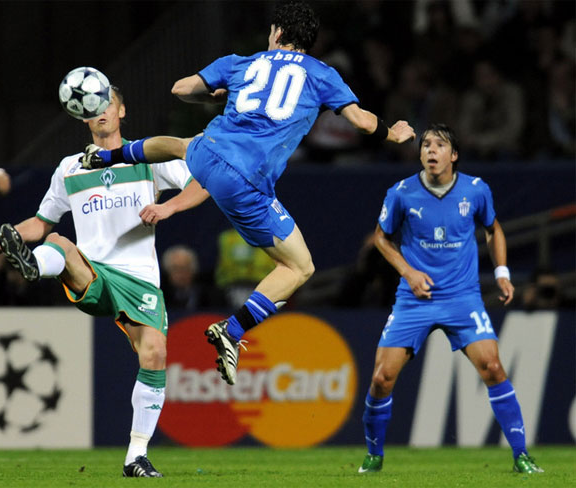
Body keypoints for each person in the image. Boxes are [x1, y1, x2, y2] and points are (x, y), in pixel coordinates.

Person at [80, 1, 416, 386]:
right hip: (246, 180)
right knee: (300, 266)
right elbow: (362, 122)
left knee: (184, 145)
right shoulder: (322, 74)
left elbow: (181, 89)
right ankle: (232, 330)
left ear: (277, 33)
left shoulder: (241, 62)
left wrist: (216, 96)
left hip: (208, 153)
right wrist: (393, 133)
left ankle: (108, 156)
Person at [0, 86, 208, 477]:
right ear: (82, 115)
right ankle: (33, 266)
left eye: (107, 102)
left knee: (155, 354)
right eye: (92, 106)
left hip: (139, 279)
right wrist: (14, 234)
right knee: (60, 241)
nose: (101, 111)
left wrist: (168, 207)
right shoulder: (70, 169)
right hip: (93, 271)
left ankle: (135, 456)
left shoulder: (147, 157)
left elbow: (204, 181)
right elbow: (41, 223)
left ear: (121, 110)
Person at [358, 123, 543, 475]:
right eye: (426, 144)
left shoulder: (476, 190)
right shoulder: (401, 193)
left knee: (493, 368)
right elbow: (381, 238)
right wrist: (408, 273)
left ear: (454, 155)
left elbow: (493, 229)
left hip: (462, 298)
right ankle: (373, 456)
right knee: (381, 379)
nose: (430, 150)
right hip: (415, 299)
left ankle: (522, 455)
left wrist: (502, 273)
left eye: (439, 145)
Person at [161, 244, 225, 310]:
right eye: (175, 269)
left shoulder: (209, 295)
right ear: (167, 271)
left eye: (184, 268)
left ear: (193, 270)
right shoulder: (160, 296)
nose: (180, 274)